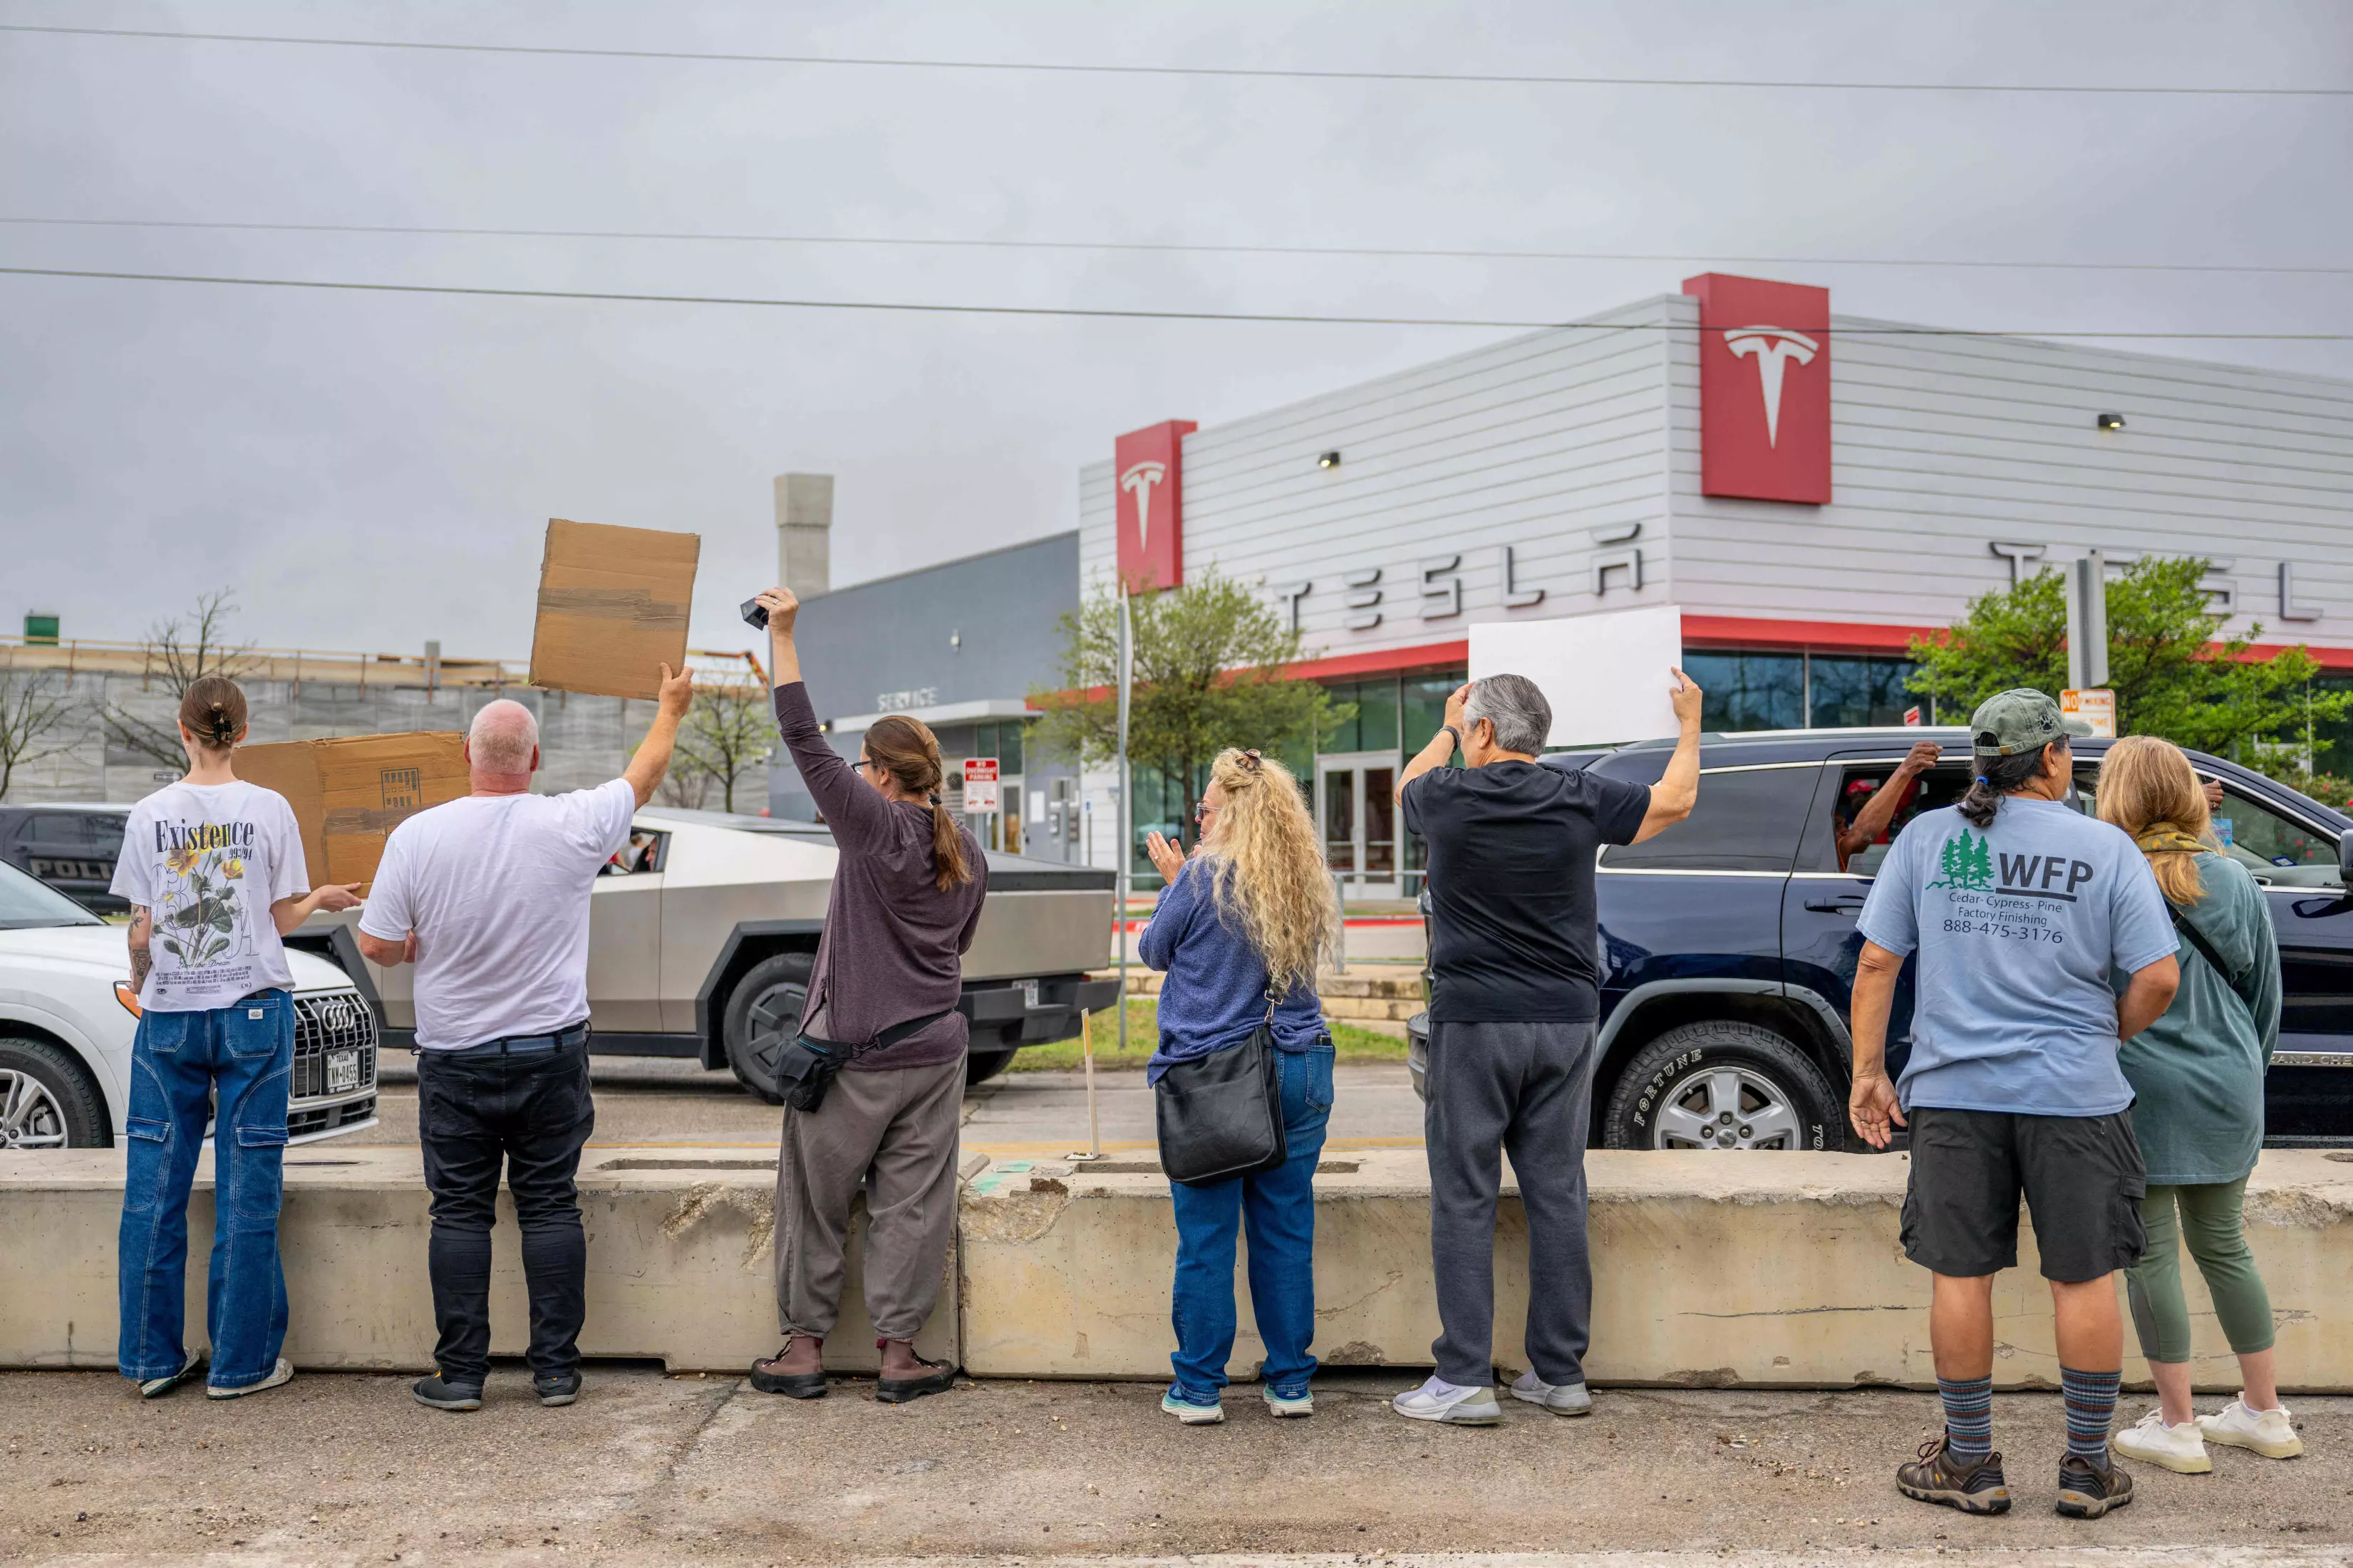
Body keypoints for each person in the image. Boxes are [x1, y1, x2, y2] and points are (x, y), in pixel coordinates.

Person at [1850, 690, 2181, 1520]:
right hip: (2074, 1096)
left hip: (1955, 1095)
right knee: (2085, 1277)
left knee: (1960, 1277)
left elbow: (1877, 964)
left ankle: (1968, 1462)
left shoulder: (1927, 838)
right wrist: (2102, 1034)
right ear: (2050, 760)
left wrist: (1866, 1073)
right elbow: (2158, 976)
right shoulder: (2103, 847)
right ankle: (2083, 1466)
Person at [358, 670, 693, 1412]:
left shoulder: (418, 835)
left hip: (453, 1058)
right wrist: (668, 707)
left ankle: (462, 1374)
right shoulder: (571, 822)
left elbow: (376, 944)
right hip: (550, 1054)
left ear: (465, 756)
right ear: (533, 761)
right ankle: (555, 1371)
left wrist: (415, 943)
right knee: (549, 1206)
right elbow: (644, 775)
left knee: (459, 1212)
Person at [1389, 668, 1702, 1425]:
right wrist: (1688, 724)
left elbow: (1406, 782)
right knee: (1556, 1190)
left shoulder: (1445, 796)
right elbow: (1676, 800)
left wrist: (1441, 725)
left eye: (1470, 729)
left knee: (1463, 1194)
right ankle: (1558, 1374)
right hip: (1563, 1022)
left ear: (1485, 733)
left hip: (1473, 1022)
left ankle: (1463, 1375)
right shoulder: (1580, 794)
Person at [748, 587, 988, 1404]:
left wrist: (783, 634)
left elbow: (799, 734)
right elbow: (956, 947)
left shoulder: (872, 826)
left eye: (861, 769)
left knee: (814, 1200)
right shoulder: (969, 852)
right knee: (911, 1206)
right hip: (935, 1050)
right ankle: (898, 1355)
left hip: (852, 1056)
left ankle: (804, 1347)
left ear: (882, 775)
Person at [111, 675, 364, 1400]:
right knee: (249, 1190)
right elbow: (277, 920)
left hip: (169, 1014)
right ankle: (240, 1363)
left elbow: (143, 923)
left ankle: (152, 1359)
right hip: (254, 1012)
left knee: (152, 1189)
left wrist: (144, 986)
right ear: (242, 733)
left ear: (181, 729)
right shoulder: (270, 809)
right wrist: (318, 897)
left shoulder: (150, 812)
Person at [2096, 737, 2299, 1473]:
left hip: (2138, 1088)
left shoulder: (2107, 879)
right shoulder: (2236, 880)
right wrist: (2243, 1069)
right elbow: (2264, 1001)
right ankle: (2264, 1412)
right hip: (2227, 1084)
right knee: (2224, 1246)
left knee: (2150, 1255)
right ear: (2186, 793)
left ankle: (2177, 1425)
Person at [1140, 747, 1339, 1425]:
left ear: (1233, 812)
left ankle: (1198, 1387)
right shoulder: (1303, 877)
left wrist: (1173, 881)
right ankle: (1290, 1383)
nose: (1198, 821)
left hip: (1216, 1076)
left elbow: (1153, 949)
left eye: (1206, 808)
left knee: (1207, 1235)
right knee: (1285, 1227)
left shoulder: (1199, 878)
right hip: (1303, 1064)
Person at [1837, 741, 1943, 872]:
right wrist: (1906, 769)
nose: (1844, 830)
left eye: (1869, 793)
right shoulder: (1844, 845)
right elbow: (1861, 834)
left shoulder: (1890, 813)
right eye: (1837, 826)